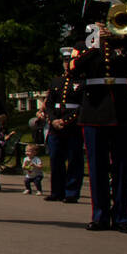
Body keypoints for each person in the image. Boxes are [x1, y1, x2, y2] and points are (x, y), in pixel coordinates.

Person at [71, 0, 127, 233]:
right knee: (97, 167)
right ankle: (100, 215)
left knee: (123, 167)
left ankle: (122, 217)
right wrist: (95, 43)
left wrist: (124, 38)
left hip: (122, 110)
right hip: (94, 110)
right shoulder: (84, 45)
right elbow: (75, 72)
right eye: (103, 20)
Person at [40, 46, 84, 204]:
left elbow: (82, 106)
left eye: (70, 61)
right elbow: (49, 104)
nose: (67, 64)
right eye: (65, 61)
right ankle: (56, 191)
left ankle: (71, 192)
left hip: (73, 126)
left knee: (74, 159)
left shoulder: (81, 81)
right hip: (55, 125)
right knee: (55, 159)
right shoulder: (56, 81)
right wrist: (52, 119)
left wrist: (65, 121)